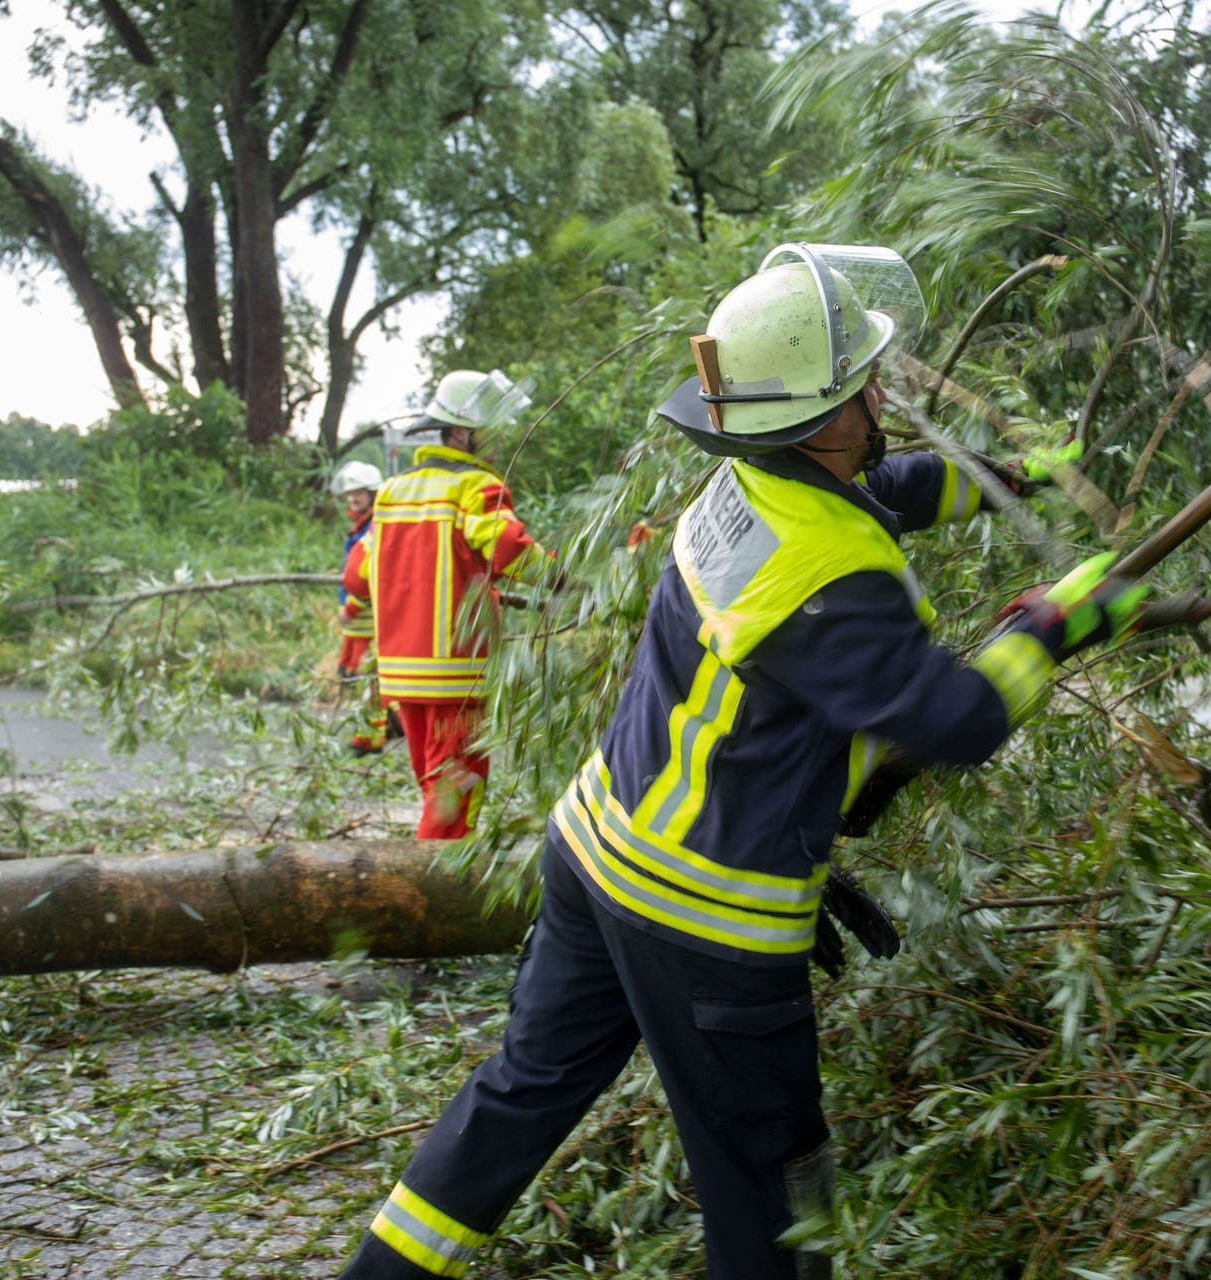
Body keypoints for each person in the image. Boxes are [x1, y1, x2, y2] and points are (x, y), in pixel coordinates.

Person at [338, 244, 1153, 1280]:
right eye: (864, 385)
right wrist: (1056, 623)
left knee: (522, 1088)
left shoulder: (746, 483)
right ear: (825, 413)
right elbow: (960, 716)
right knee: (776, 1185)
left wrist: (1010, 479)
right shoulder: (829, 579)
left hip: (597, 851)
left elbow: (890, 485)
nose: (878, 400)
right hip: (704, 922)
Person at [347, 370, 549, 839]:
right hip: (456, 676)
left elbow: (356, 578)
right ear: (461, 432)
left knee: (435, 790)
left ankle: (426, 886)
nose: (497, 443)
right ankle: (428, 896)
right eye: (490, 431)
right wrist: (572, 575)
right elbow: (512, 552)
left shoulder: (392, 493)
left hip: (403, 675)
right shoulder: (473, 487)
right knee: (454, 801)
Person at [331, 460, 398, 756]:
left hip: (367, 617)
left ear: (372, 494)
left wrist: (352, 606)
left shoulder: (374, 527)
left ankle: (370, 738)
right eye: (350, 495)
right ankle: (388, 726)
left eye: (359, 493)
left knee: (368, 676)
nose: (353, 499)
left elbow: (369, 575)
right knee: (361, 675)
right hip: (358, 618)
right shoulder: (360, 526)